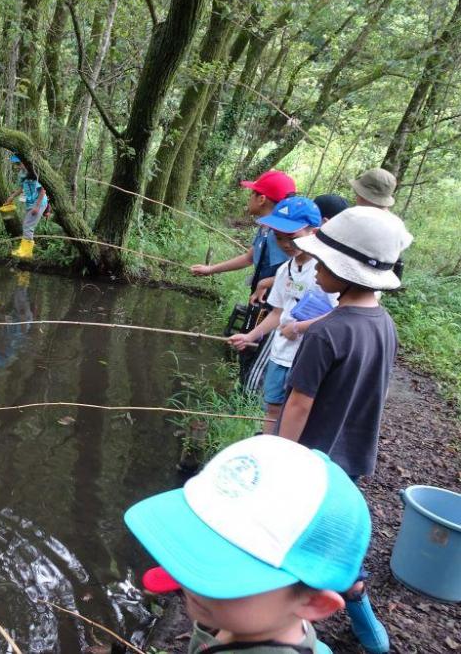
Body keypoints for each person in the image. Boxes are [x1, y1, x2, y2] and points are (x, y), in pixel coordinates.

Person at [277, 206, 413, 654]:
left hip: (312, 462)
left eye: (322, 262)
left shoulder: (325, 333)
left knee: (303, 541)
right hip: (352, 458)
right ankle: (362, 616)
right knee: (337, 535)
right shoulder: (385, 325)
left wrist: (279, 455)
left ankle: (299, 631)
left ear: (345, 271)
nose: (314, 268)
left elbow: (298, 404)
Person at [123, 435, 370, 654]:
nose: (190, 584)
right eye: (198, 546)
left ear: (314, 603)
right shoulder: (258, 621)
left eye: (221, 570)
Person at [228, 197, 336, 433]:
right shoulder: (284, 270)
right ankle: (269, 446)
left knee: (299, 412)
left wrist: (299, 327)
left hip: (307, 357)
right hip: (280, 353)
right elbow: (278, 312)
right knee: (272, 408)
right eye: (279, 237)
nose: (285, 244)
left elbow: (340, 316)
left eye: (292, 237)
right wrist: (250, 336)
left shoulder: (326, 272)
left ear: (314, 232)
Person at [192, 169, 296, 391]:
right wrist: (211, 269)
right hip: (258, 302)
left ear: (262, 199)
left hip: (271, 307)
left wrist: (264, 284)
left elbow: (290, 270)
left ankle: (248, 399)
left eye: (252, 193)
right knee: (247, 347)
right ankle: (243, 391)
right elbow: (250, 257)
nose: (249, 198)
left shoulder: (281, 234)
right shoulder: (265, 228)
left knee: (255, 350)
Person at [3, 155, 48, 259]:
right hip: (30, 203)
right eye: (16, 164)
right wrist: (11, 197)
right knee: (26, 225)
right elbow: (21, 188)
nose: (17, 166)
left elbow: (43, 190)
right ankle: (24, 249)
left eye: (19, 163)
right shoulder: (22, 174)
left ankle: (26, 252)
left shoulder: (35, 174)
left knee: (28, 226)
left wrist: (37, 206)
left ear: (25, 162)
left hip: (39, 203)